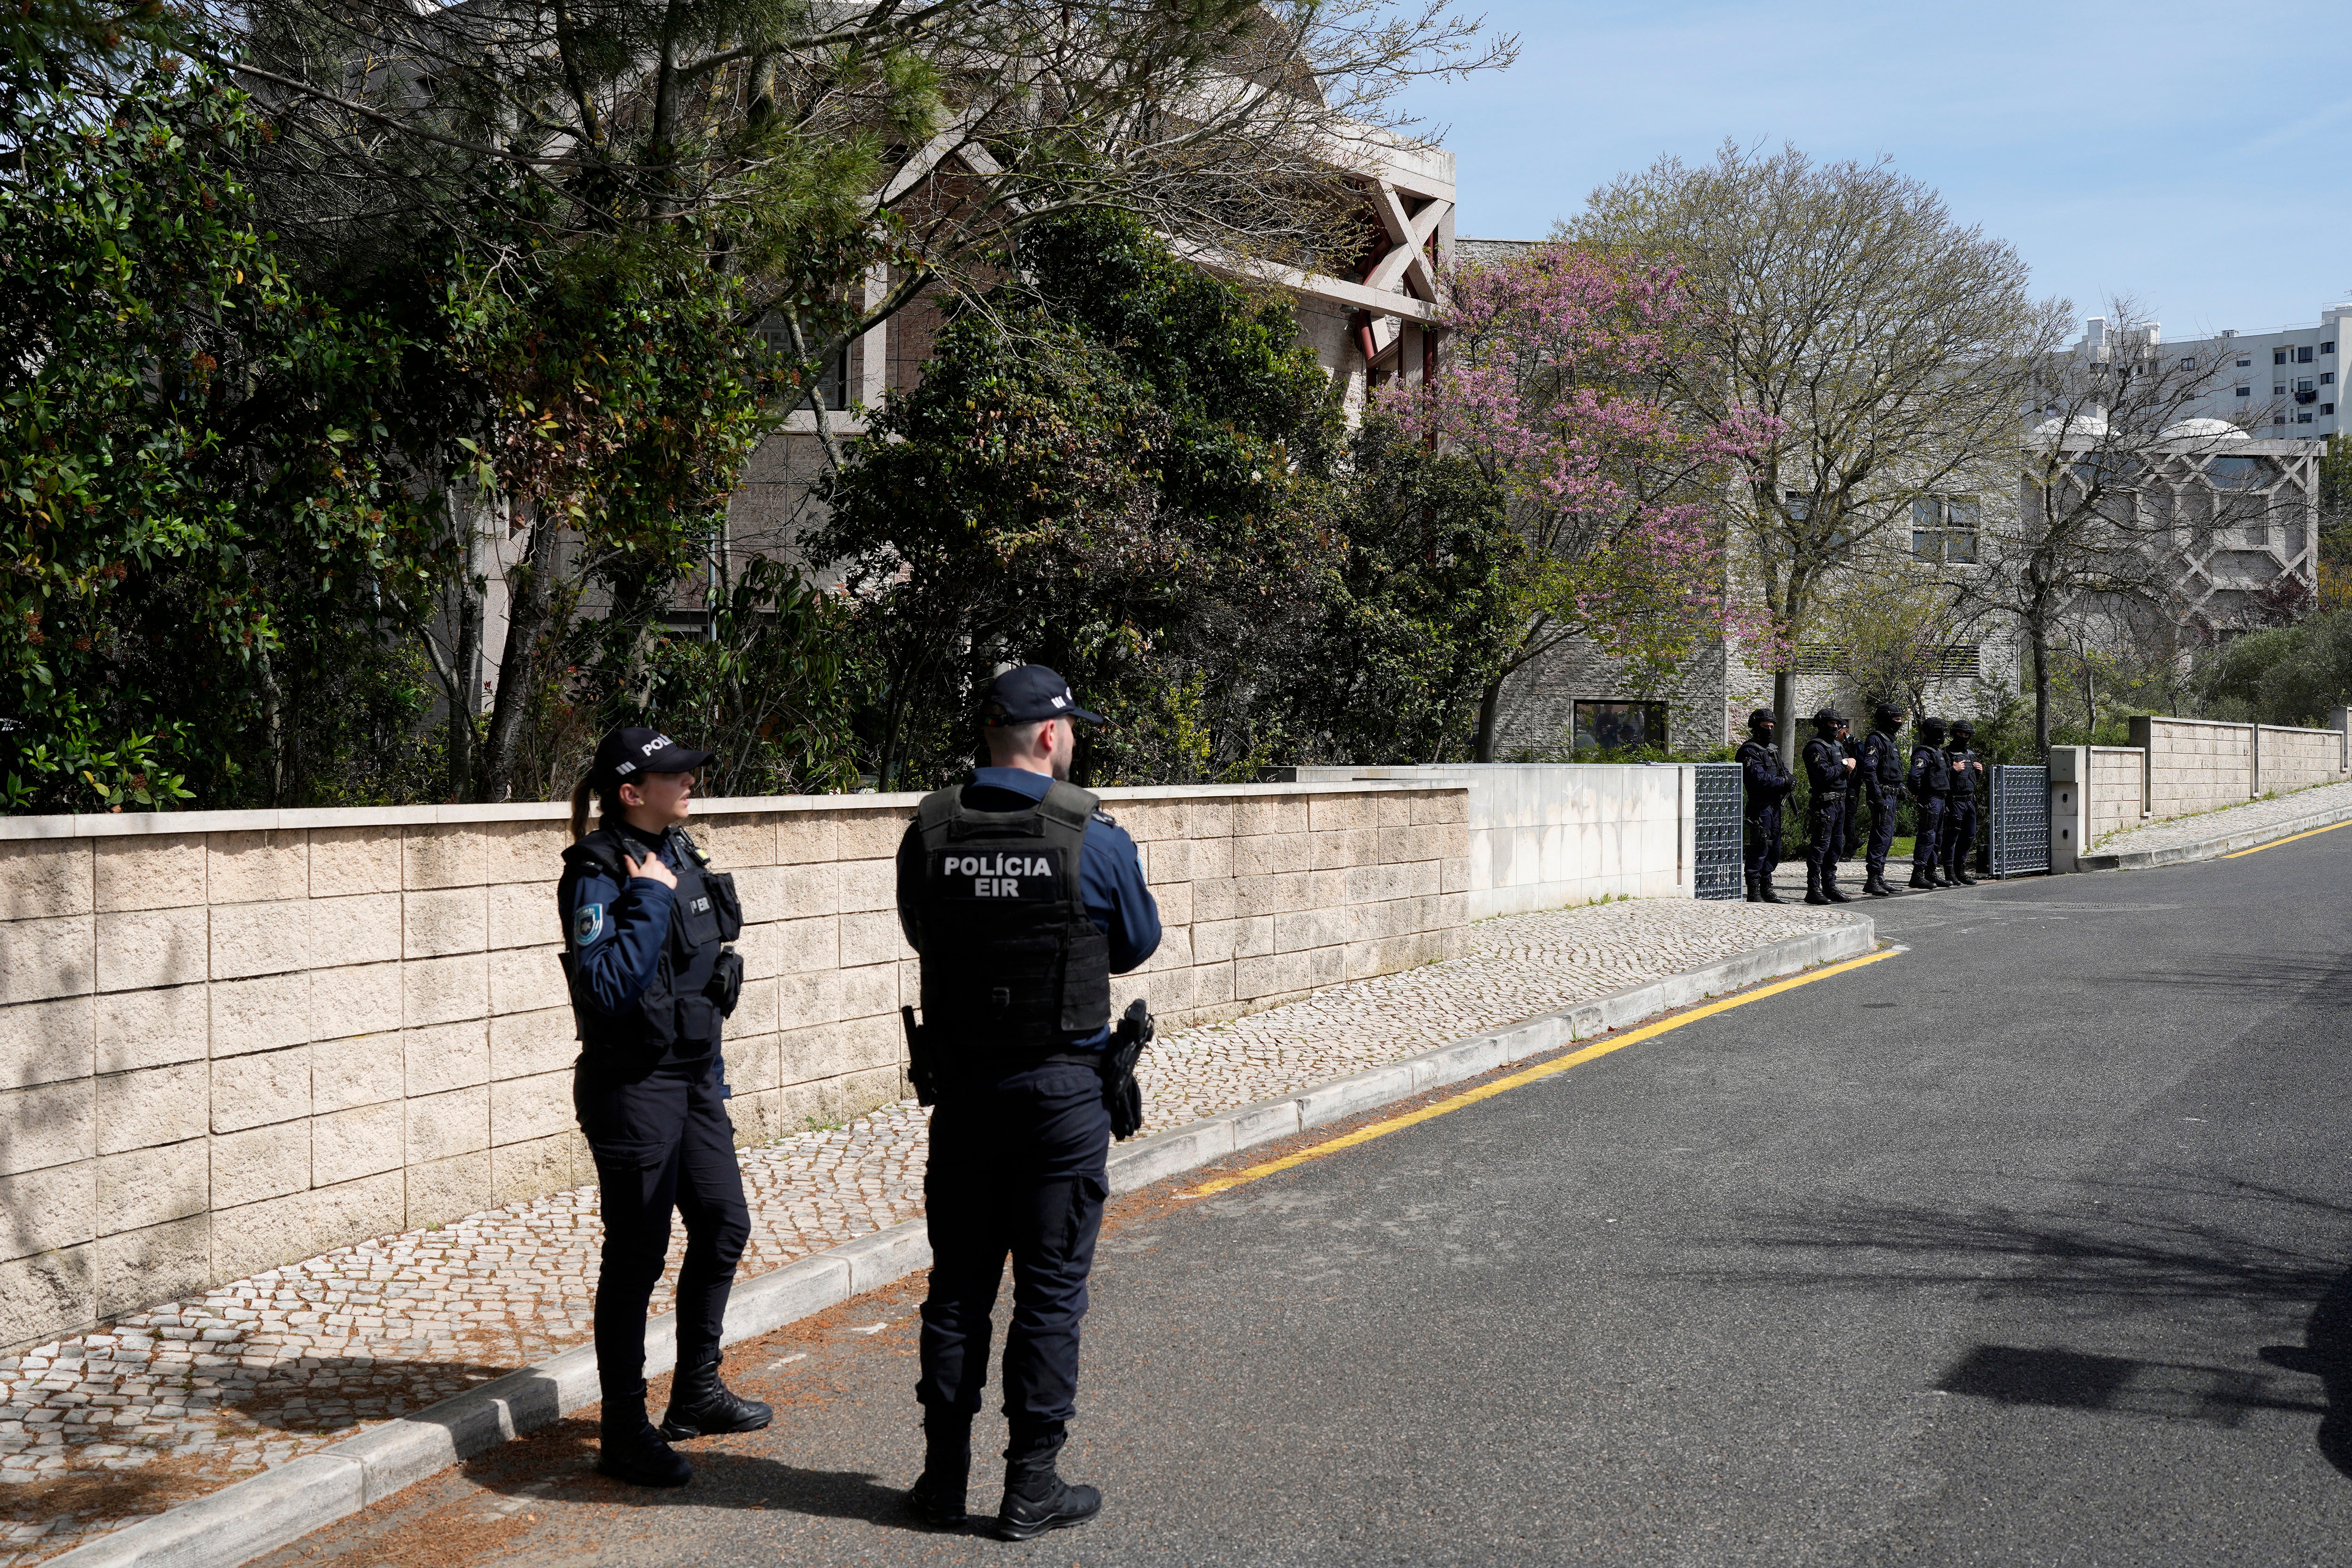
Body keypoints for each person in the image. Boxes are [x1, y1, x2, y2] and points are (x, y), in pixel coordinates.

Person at [896, 665, 1162, 1540]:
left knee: (958, 1290)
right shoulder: (1093, 834)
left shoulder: (930, 830)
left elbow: (921, 929)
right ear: (1049, 735)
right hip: (1060, 1097)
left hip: (967, 1093)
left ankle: (940, 1481)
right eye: (1071, 729)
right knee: (1049, 1293)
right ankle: (1029, 1487)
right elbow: (1136, 945)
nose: (1074, 740)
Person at [557, 727, 769, 1489]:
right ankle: (624, 1430)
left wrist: (720, 977)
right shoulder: (598, 872)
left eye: (687, 769)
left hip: (691, 1078)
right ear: (630, 791)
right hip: (631, 1086)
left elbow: (691, 954)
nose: (689, 780)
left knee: (723, 1220)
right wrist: (647, 896)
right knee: (639, 1255)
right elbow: (607, 984)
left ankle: (697, 1391)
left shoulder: (683, 851)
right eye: (671, 772)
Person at [1736, 709, 1794, 903]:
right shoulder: (1749, 750)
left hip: (1775, 807)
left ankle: (1767, 889)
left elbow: (1784, 772)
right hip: (1760, 807)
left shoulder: (1773, 750)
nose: (1769, 730)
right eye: (1765, 726)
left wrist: (1787, 780)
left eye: (1771, 726)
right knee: (1760, 847)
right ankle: (1753, 891)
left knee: (1774, 849)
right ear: (1755, 727)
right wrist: (1783, 781)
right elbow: (1759, 779)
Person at [1799, 707, 1855, 905]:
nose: (1835, 727)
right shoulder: (1816, 747)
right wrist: (1843, 764)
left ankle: (1830, 886)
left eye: (1837, 724)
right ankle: (1813, 889)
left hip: (1840, 801)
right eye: (1831, 724)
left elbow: (1849, 772)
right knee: (1820, 847)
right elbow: (1823, 775)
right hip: (1824, 803)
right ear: (1822, 724)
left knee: (1835, 847)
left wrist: (1851, 762)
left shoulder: (1837, 746)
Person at [1858, 703, 1906, 898]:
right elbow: (1869, 770)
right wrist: (1876, 794)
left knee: (1887, 838)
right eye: (1897, 719)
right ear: (1887, 719)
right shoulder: (1875, 740)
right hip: (1883, 795)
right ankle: (1872, 879)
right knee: (1881, 836)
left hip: (1891, 795)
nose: (1900, 722)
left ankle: (1880, 876)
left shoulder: (1891, 741)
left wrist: (1900, 788)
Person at [1906, 715, 1954, 890]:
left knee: (1937, 837)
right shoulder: (1923, 752)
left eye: (1943, 732)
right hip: (1931, 799)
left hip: (1940, 799)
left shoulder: (1939, 752)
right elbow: (1914, 777)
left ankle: (1931, 873)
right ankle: (1917, 875)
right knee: (1927, 836)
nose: (1942, 735)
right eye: (1938, 732)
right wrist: (1919, 794)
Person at [1943, 719, 1986, 885]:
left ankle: (1960, 871)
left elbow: (1970, 779)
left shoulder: (1971, 754)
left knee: (1969, 836)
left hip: (1969, 801)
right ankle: (1949, 872)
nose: (1963, 737)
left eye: (1966, 735)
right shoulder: (1946, 753)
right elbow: (1941, 778)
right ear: (1954, 734)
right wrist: (1953, 770)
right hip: (1954, 801)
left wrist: (1979, 773)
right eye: (1960, 734)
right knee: (1951, 837)